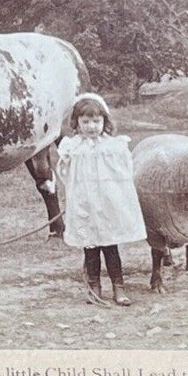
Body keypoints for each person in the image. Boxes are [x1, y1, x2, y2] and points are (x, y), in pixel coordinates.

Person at [57, 92, 146, 308]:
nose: (91, 126)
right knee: (90, 248)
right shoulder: (73, 147)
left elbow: (124, 174)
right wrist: (66, 162)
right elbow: (65, 175)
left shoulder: (113, 147)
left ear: (105, 121)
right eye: (85, 121)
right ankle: (94, 286)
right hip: (85, 204)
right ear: (76, 123)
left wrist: (118, 197)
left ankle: (119, 286)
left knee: (110, 246)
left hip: (107, 204)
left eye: (96, 121)